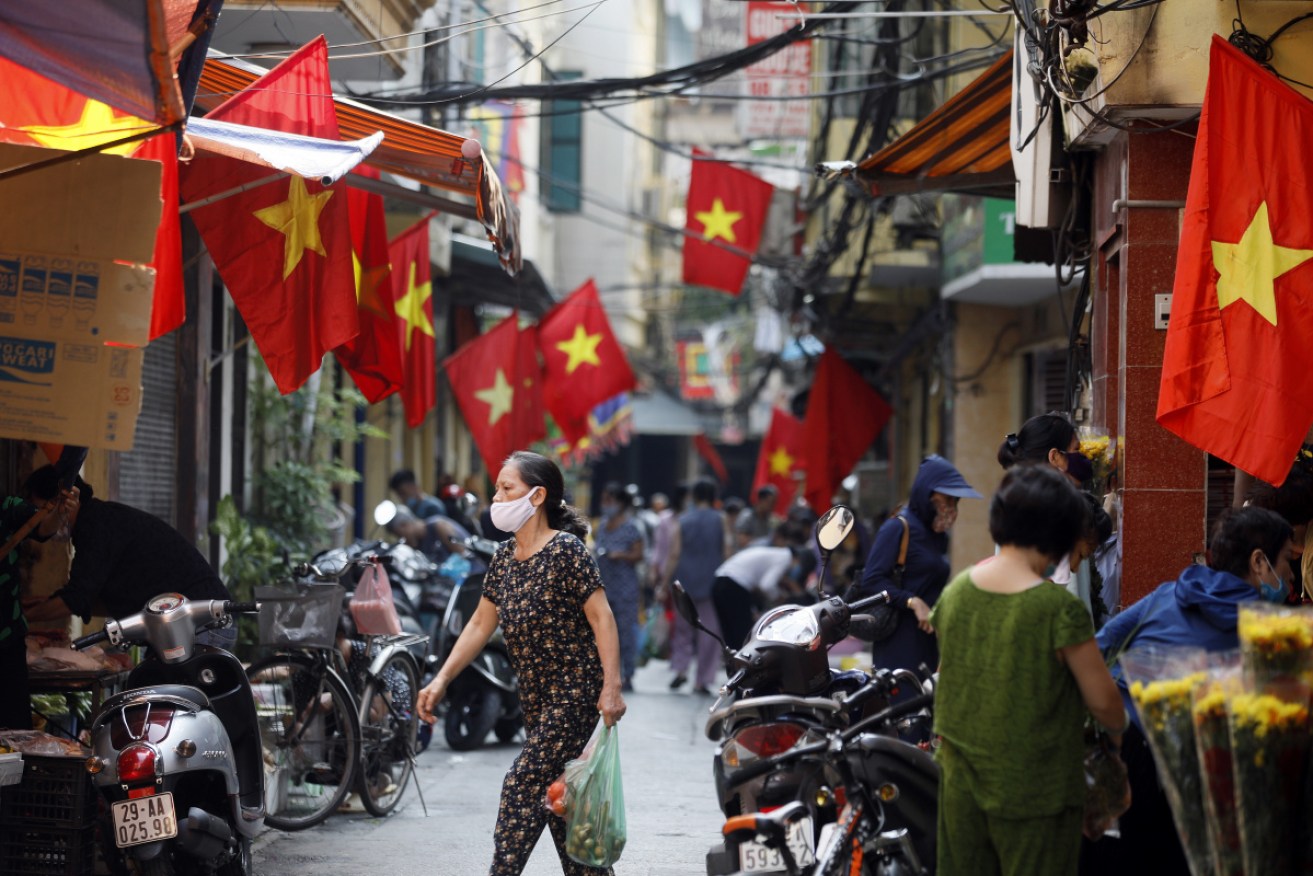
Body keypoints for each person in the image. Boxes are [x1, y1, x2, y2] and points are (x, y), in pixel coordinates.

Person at [416, 451, 625, 876]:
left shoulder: (566, 550)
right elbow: (478, 623)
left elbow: (602, 617)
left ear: (537, 496)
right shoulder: (504, 558)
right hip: (535, 694)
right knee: (557, 802)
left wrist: (611, 687)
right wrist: (440, 680)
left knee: (521, 784)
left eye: (506, 488)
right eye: (497, 488)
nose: (496, 497)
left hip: (575, 690)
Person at [932, 464, 1127, 876]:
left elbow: (948, 679)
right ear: (1058, 533)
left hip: (961, 793)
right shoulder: (1058, 610)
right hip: (1037, 797)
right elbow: (1108, 707)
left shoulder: (955, 593)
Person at [1082, 506, 1295, 876]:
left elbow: (1097, 649)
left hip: (1115, 744)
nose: (1291, 576)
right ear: (1260, 562)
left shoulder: (1169, 593)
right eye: (1287, 561)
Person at [23, 472, 236, 649]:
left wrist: (20, 620)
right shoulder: (97, 521)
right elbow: (86, 596)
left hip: (201, 626)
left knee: (172, 698)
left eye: (39, 510)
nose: (38, 522)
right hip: (191, 626)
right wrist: (46, 603)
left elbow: (75, 599)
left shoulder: (98, 526)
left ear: (62, 503)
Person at [849, 455, 982, 677]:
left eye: (955, 501)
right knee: (904, 707)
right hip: (899, 642)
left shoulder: (937, 536)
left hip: (929, 641)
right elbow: (872, 581)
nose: (951, 507)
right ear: (926, 494)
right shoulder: (898, 527)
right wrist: (911, 601)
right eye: (946, 499)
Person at [0, 472, 77, 730]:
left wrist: (57, 511)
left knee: (14, 732)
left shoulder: (7, 507)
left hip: (6, 638)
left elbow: (42, 527)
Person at [664, 478, 726, 694]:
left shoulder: (682, 520)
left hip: (685, 580)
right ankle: (702, 680)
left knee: (682, 628)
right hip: (712, 581)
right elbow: (727, 550)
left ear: (695, 496)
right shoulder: (721, 519)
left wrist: (664, 582)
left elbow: (674, 554)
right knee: (710, 631)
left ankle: (681, 669)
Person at [711, 522, 805, 650]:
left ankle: (733, 665)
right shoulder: (785, 557)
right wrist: (780, 599)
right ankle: (743, 664)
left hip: (719, 581)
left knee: (729, 633)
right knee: (742, 634)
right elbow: (767, 585)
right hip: (735, 585)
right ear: (796, 558)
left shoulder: (773, 553)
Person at [594, 482, 644, 693]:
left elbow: (639, 555)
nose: (606, 504)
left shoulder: (632, 527)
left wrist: (621, 555)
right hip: (603, 587)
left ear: (621, 503)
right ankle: (605, 674)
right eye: (604, 499)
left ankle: (628, 674)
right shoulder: (602, 525)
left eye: (610, 500)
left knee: (625, 634)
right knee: (603, 632)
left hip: (625, 589)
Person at [384, 504, 472, 565]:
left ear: (405, 525)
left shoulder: (438, 526)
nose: (403, 539)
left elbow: (464, 555)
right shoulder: (418, 544)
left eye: (400, 535)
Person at [734, 485, 778, 550]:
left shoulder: (769, 520)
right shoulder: (747, 516)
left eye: (774, 503)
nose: (771, 506)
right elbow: (742, 541)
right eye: (769, 502)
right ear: (761, 500)